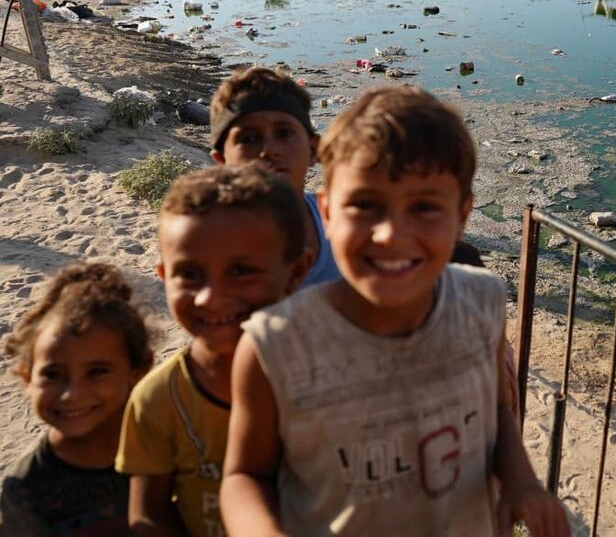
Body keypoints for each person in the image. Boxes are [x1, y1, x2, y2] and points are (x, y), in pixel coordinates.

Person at [220, 85, 567, 537]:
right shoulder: (276, 344)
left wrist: (522, 480)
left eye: (424, 207)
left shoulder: (483, 300)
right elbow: (245, 476)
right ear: (327, 212)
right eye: (365, 205)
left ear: (462, 216)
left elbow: (497, 409)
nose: (390, 235)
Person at [116, 165, 311, 536]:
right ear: (163, 274)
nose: (211, 296)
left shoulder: (334, 374)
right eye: (189, 274)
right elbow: (148, 514)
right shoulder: (159, 400)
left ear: (297, 271)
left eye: (241, 271)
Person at [209, 66, 484, 289]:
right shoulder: (207, 241)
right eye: (248, 138)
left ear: (314, 149)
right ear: (220, 161)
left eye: (284, 134)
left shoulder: (345, 217)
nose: (269, 151)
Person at [0, 262, 153, 535]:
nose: (72, 394)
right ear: (27, 378)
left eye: (96, 372)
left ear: (138, 371)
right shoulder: (26, 490)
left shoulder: (167, 450)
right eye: (53, 374)